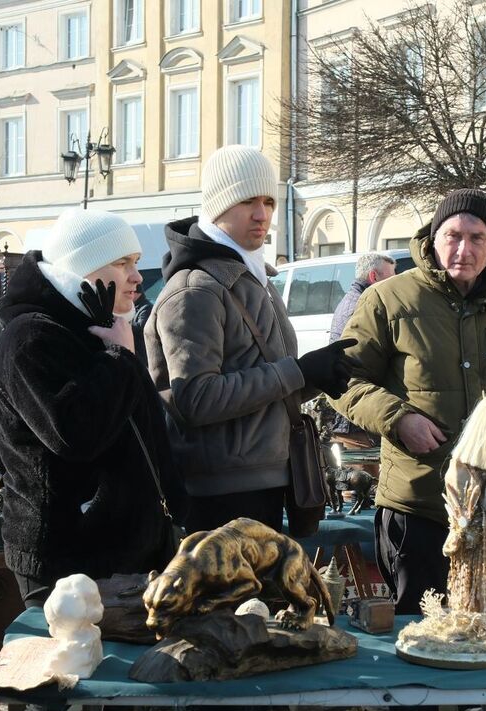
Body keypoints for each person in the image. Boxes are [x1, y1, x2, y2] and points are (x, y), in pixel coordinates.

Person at [0, 207, 186, 711]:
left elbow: (145, 439)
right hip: (65, 557)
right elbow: (72, 435)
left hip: (123, 552)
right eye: (122, 263)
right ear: (83, 267)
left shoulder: (99, 325)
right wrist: (117, 360)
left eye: (137, 262)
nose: (136, 276)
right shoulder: (32, 335)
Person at [334, 189, 486, 613]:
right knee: (421, 634)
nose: (464, 249)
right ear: (432, 239)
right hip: (419, 506)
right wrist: (397, 418)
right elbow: (342, 379)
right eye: (453, 236)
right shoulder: (388, 300)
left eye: (477, 237)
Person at [146, 144, 355, 532]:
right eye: (247, 201)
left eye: (269, 201)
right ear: (218, 204)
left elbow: (261, 386)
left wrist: (314, 376)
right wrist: (296, 372)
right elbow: (195, 398)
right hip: (221, 495)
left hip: (264, 479)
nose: (262, 215)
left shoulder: (252, 277)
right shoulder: (196, 289)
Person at [328, 252, 396, 443]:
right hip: (354, 418)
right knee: (363, 471)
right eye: (392, 278)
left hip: (353, 410)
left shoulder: (354, 299)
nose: (397, 285)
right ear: (374, 277)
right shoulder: (362, 306)